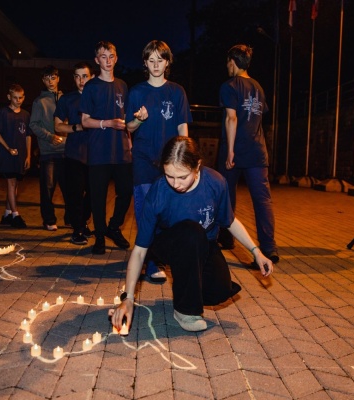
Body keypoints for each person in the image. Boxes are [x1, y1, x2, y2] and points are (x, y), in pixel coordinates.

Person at [109, 136, 273, 333]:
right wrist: (128, 298)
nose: (175, 184)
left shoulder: (215, 182)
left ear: (197, 166)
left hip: (203, 243)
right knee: (191, 232)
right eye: (169, 176)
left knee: (219, 290)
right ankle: (185, 311)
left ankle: (185, 287)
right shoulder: (158, 191)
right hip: (168, 244)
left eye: (182, 177)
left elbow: (229, 221)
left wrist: (256, 252)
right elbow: (139, 251)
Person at [125, 40, 192, 282]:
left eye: (160, 60)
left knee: (169, 212)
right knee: (146, 212)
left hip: (170, 163)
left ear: (167, 62)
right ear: (145, 63)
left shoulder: (177, 91)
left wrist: (186, 158)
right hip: (143, 160)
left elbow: (182, 126)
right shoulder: (136, 92)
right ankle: (151, 262)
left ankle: (161, 255)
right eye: (151, 60)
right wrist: (139, 119)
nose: (156, 65)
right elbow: (129, 127)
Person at [217, 44, 279, 265]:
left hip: (235, 150)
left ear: (233, 62)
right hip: (257, 151)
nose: (227, 67)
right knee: (262, 200)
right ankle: (269, 249)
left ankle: (226, 238)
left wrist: (230, 151)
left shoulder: (229, 86)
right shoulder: (258, 87)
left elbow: (231, 118)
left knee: (225, 196)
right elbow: (259, 117)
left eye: (228, 63)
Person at [80, 41, 132, 254]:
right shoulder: (91, 86)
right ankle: (99, 236)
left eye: (111, 56)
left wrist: (130, 139)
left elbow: (126, 117)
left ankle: (114, 227)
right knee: (98, 196)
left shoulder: (122, 85)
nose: (108, 60)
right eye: (103, 56)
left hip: (121, 150)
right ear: (97, 60)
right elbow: (84, 121)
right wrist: (108, 123)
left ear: (116, 58)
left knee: (126, 191)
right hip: (99, 151)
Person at [54, 62, 95, 245]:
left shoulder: (98, 98)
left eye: (84, 76)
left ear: (91, 77)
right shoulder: (67, 99)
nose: (81, 80)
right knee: (75, 194)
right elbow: (57, 126)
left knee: (93, 194)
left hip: (96, 155)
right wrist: (76, 127)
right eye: (77, 76)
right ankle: (77, 229)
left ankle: (83, 221)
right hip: (74, 154)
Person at [29, 65, 70, 231]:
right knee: (47, 189)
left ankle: (70, 219)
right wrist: (49, 136)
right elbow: (33, 124)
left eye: (53, 78)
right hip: (49, 152)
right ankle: (49, 220)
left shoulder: (66, 99)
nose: (50, 81)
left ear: (58, 79)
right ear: (43, 81)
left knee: (69, 189)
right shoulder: (39, 102)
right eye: (47, 79)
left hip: (67, 151)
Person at [0, 84, 32, 228]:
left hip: (20, 155)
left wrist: (28, 155)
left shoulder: (25, 115)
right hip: (7, 154)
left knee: (15, 185)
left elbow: (28, 136)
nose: (18, 100)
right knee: (11, 182)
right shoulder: (4, 112)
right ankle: (16, 215)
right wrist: (8, 148)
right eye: (15, 98)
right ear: (9, 97)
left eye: (20, 98)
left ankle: (7, 214)